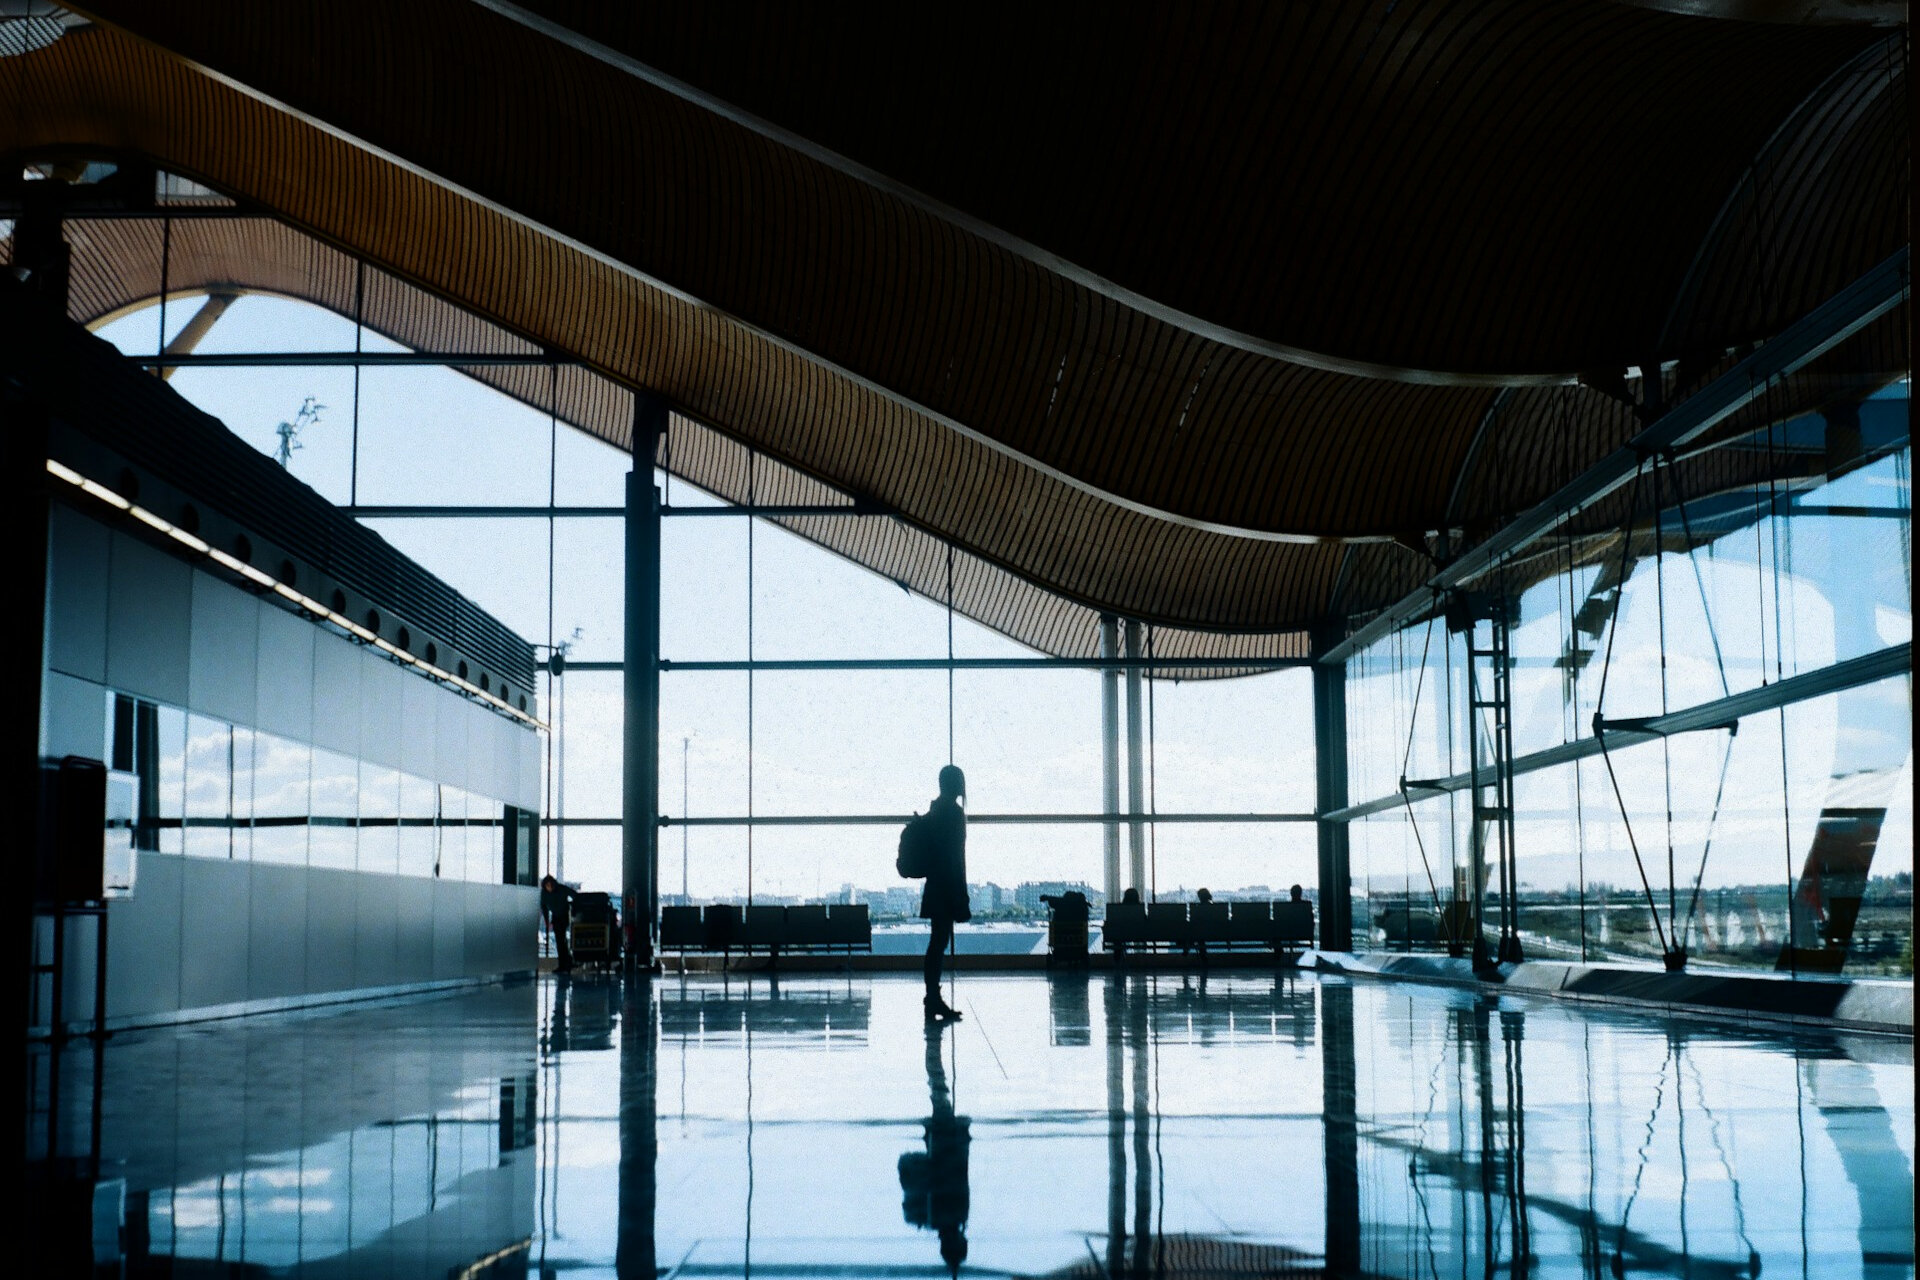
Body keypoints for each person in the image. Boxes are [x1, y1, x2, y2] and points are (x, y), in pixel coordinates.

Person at [899, 1021, 971, 1274]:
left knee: (939, 1090)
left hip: (946, 1143)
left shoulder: (956, 1215)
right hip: (943, 1144)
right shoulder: (936, 1217)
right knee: (938, 1091)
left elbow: (959, 1173)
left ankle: (933, 1046)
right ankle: (933, 1047)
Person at [920, 764, 970, 1022]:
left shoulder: (935, 810)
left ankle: (933, 997)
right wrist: (961, 895)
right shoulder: (954, 813)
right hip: (948, 887)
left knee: (936, 943)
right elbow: (956, 857)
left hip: (936, 886)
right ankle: (933, 1000)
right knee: (939, 942)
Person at [540, 874, 577, 972]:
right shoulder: (544, 894)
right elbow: (544, 908)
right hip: (556, 917)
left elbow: (575, 895)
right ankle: (565, 963)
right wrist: (547, 921)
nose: (550, 887)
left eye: (551, 885)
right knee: (560, 941)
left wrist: (573, 907)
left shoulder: (561, 889)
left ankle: (566, 963)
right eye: (547, 885)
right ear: (545, 886)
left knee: (562, 941)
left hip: (564, 916)